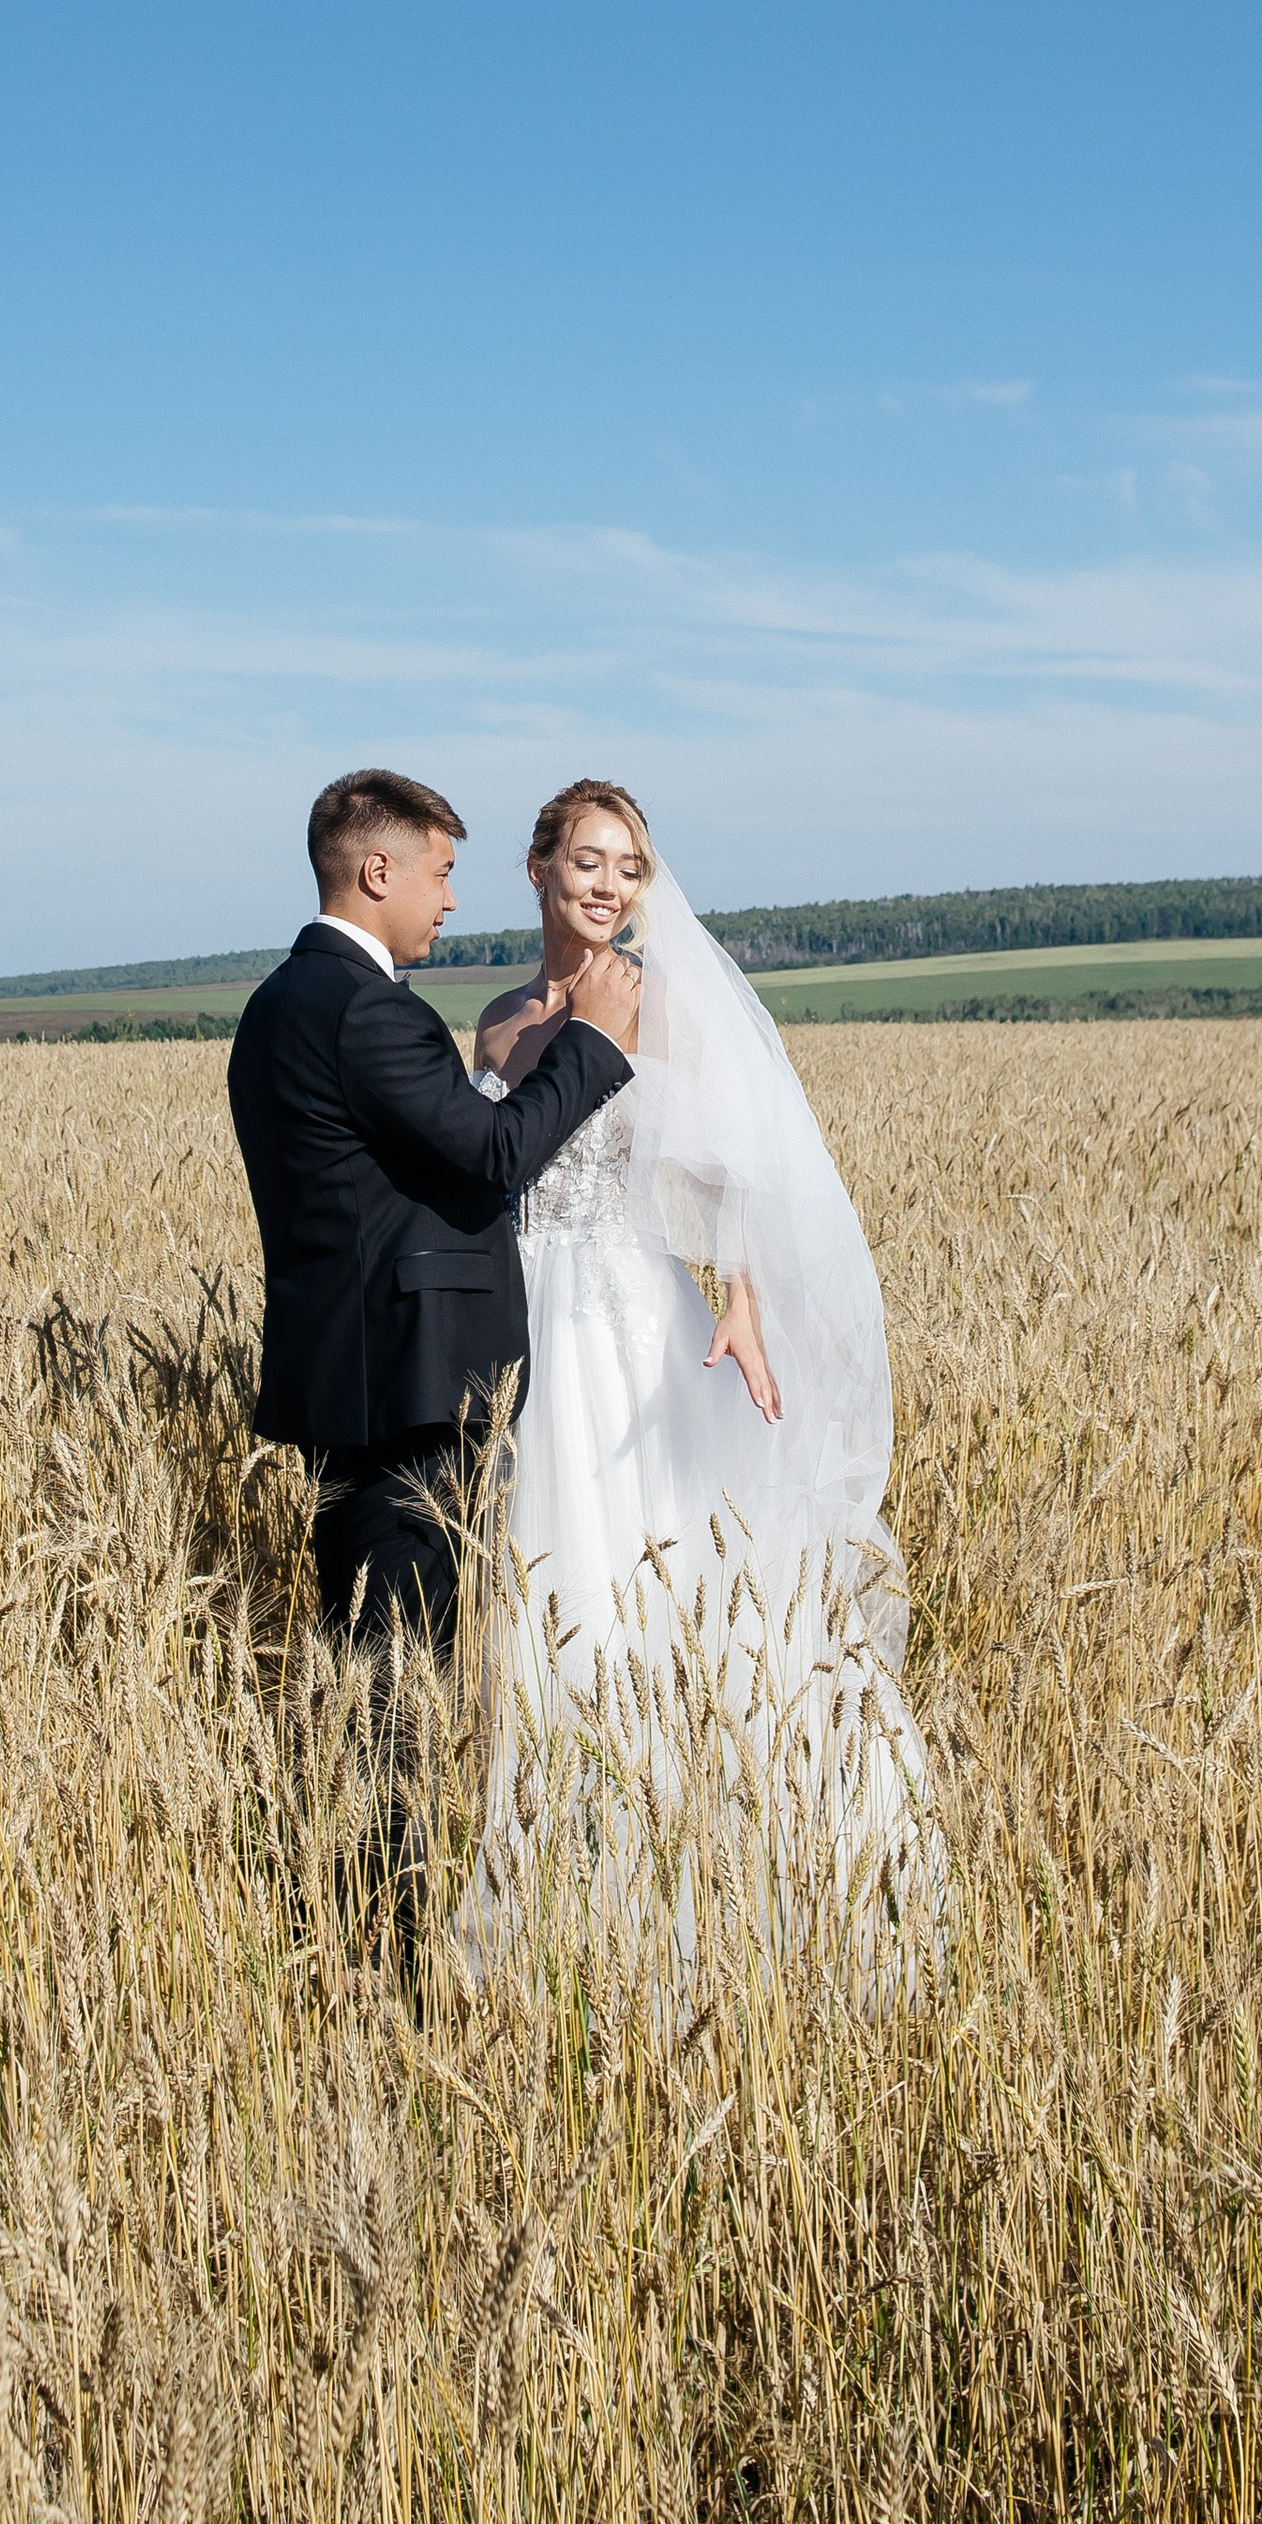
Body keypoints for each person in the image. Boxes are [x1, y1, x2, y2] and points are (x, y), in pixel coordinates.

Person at [466, 779, 942, 1958]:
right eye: (586, 860)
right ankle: (561, 1877)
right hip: (527, 1321)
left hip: (629, 1316)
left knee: (654, 1572)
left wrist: (742, 1302)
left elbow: (747, 1171)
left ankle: (717, 1857)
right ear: (537, 870)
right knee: (548, 1585)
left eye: (629, 866)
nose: (609, 884)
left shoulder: (659, 1003)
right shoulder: (494, 1020)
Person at [226, 767, 640, 1654]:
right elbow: (494, 1153)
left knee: (367, 1648)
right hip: (411, 1389)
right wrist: (595, 1039)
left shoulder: (272, 1006)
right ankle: (396, 1804)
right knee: (405, 1672)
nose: (451, 899)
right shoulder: (368, 1011)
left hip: (340, 1376)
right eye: (442, 872)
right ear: (381, 872)